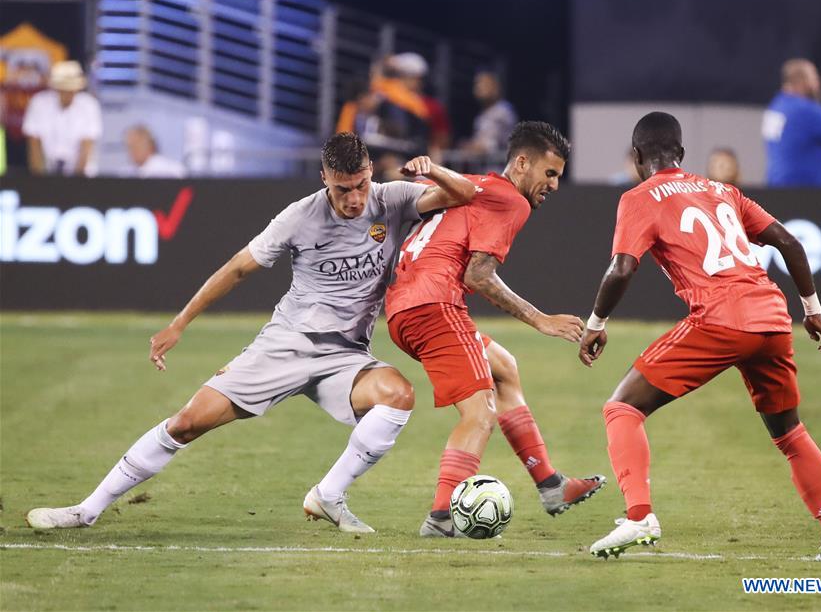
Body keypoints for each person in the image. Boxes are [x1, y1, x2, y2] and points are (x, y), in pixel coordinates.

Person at [26, 132, 477, 534]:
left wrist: (433, 168)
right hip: (286, 345)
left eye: (360, 184)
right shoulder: (299, 217)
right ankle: (86, 511)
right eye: (343, 189)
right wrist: (180, 323)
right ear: (324, 178)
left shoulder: (392, 198)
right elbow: (239, 268)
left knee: (398, 395)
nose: (355, 198)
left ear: (370, 173)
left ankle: (328, 495)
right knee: (186, 424)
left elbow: (467, 194)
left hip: (346, 357)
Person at [579, 112, 821, 563]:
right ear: (683, 155)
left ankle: (639, 516)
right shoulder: (722, 190)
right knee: (790, 433)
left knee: (622, 408)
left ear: (636, 158)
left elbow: (623, 267)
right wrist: (813, 311)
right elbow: (789, 243)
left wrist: (595, 323)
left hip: (719, 318)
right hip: (771, 318)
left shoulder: (639, 197)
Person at [386, 121, 606, 537]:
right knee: (480, 413)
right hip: (434, 304)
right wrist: (540, 318)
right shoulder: (510, 201)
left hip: (404, 305)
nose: (555, 185)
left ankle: (551, 486)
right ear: (522, 163)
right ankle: (441, 517)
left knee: (503, 367)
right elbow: (478, 275)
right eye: (550, 173)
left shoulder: (472, 184)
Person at [762, 59, 821, 188]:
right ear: (802, 81)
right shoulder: (807, 109)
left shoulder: (775, 108)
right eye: (814, 78)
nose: (818, 83)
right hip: (809, 196)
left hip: (777, 190)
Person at [23, 60, 102, 176]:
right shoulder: (39, 103)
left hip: (81, 176)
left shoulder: (89, 105)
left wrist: (75, 183)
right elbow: (34, 146)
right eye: (64, 89)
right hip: (48, 171)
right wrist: (39, 181)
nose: (68, 93)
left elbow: (86, 149)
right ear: (56, 88)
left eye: (71, 89)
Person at [460, 70, 518, 157]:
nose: (479, 88)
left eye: (484, 84)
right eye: (477, 84)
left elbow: (492, 146)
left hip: (500, 167)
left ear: (495, 87)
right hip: (483, 168)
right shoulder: (481, 116)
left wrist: (474, 147)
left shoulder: (504, 111)